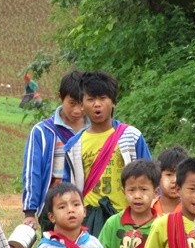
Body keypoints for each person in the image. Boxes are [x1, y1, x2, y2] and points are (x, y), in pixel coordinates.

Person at [63, 71, 151, 236]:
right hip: (90, 221)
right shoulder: (73, 146)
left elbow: (151, 176)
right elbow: (69, 189)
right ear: (82, 105)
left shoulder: (131, 137)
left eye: (103, 98)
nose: (97, 104)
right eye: (90, 99)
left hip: (127, 217)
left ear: (113, 103)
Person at [21, 71, 88, 232]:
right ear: (60, 97)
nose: (77, 110)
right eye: (72, 103)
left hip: (88, 208)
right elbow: (32, 172)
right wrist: (30, 212)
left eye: (82, 104)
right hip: (53, 209)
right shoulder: (43, 132)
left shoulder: (95, 130)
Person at [152, 145, 188, 216]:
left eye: (179, 174)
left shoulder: (190, 211)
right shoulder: (148, 208)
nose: (175, 180)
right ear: (158, 175)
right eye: (169, 174)